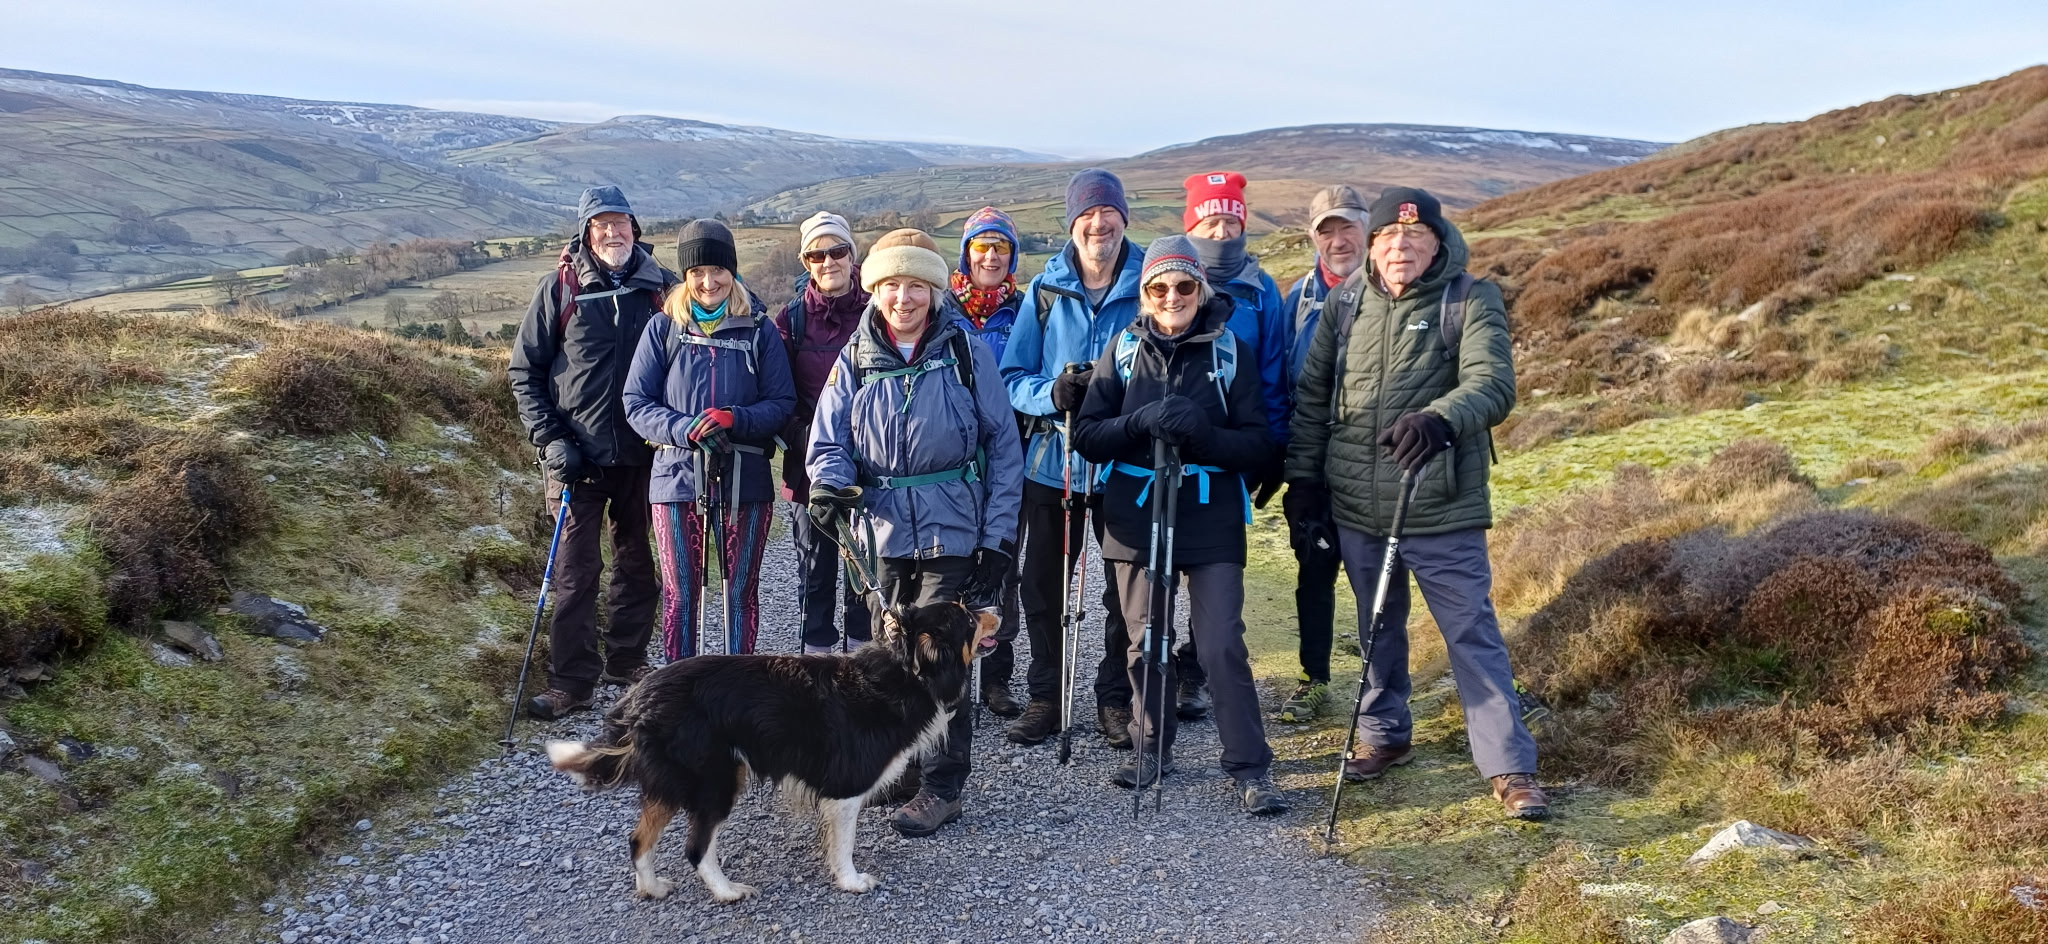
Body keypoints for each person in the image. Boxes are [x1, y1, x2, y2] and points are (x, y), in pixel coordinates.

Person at [1283, 187, 1548, 820]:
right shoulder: (1346, 302)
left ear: (1437, 242)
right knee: (1375, 625)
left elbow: (1493, 383)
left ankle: (1509, 766)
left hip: (1441, 501)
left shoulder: (1469, 298)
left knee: (1470, 631)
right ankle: (1384, 736)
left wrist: (1442, 418)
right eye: (1388, 237)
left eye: (1415, 236)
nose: (1400, 247)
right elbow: (1313, 398)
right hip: (1356, 503)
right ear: (1373, 245)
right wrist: (1305, 483)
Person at [806, 228, 1025, 837]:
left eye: (916, 286)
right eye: (892, 285)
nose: (903, 298)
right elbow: (828, 440)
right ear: (875, 290)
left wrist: (996, 541)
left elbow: (1004, 448)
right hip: (881, 531)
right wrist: (830, 486)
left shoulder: (965, 352)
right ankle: (900, 766)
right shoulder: (856, 356)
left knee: (941, 655)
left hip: (954, 525)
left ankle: (943, 785)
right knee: (891, 651)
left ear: (934, 290)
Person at [1069, 235, 1286, 815]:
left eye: (1184, 285)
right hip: (1136, 511)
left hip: (1210, 513)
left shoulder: (1231, 351)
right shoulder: (1122, 349)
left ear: (1200, 289)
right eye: (1159, 287)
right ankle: (1150, 749)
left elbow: (1260, 446)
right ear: (1144, 293)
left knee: (1220, 644)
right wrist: (1137, 422)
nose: (1172, 296)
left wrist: (1204, 435)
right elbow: (1087, 436)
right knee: (1146, 640)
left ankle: (1250, 767)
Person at [507, 185, 675, 720]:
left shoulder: (662, 288)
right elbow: (524, 372)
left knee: (637, 562)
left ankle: (627, 661)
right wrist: (551, 440)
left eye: (620, 222)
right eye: (600, 224)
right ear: (585, 233)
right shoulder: (560, 288)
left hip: (643, 453)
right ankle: (571, 682)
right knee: (576, 571)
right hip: (574, 458)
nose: (612, 232)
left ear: (635, 228)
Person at [1001, 169, 1145, 749]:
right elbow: (1012, 376)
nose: (1098, 223)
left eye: (1108, 212)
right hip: (1051, 463)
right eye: (1086, 214)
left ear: (1123, 218)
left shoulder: (1149, 284)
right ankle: (1046, 695)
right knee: (1043, 585)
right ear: (1071, 223)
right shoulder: (1046, 290)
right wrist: (1051, 393)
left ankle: (1114, 697)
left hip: (1121, 464)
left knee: (1121, 591)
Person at [623, 219, 795, 660]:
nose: (708, 281)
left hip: (745, 481)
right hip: (677, 479)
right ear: (685, 275)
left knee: (740, 594)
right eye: (696, 271)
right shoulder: (663, 329)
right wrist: (685, 429)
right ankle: (678, 691)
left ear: (732, 270)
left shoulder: (759, 330)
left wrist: (734, 419)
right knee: (681, 596)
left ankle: (738, 688)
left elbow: (781, 403)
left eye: (717, 269)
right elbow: (636, 403)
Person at [1170, 171, 1290, 722]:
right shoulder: (1170, 280)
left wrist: (1271, 449)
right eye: (1210, 221)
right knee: (1158, 570)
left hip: (1231, 454)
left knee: (1214, 574)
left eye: (1230, 220)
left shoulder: (1262, 292)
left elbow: (1274, 374)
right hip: (1162, 457)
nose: (1221, 231)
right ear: (1191, 226)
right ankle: (1146, 678)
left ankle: (1197, 667)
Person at [1274, 185, 1369, 723]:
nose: (1338, 240)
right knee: (1314, 571)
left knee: (1379, 579)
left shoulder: (1394, 291)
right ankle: (1315, 679)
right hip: (1315, 465)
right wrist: (1290, 468)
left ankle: (1383, 689)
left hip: (1378, 466)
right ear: (1312, 237)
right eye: (1325, 230)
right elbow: (1283, 384)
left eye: (1347, 226)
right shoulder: (1300, 299)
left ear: (1369, 227)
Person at [774, 211, 876, 654]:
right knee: (815, 569)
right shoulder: (791, 320)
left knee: (864, 571)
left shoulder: (878, 311)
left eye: (837, 251)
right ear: (806, 262)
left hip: (870, 463)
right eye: (817, 255)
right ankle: (816, 662)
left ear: (852, 256)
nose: (828, 261)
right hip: (808, 466)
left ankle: (861, 662)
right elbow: (778, 394)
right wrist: (808, 440)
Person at [950, 206, 1028, 717]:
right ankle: (953, 670)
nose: (992, 256)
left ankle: (997, 676)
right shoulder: (943, 308)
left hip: (1008, 455)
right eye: (982, 246)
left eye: (1001, 247)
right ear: (967, 253)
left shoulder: (1025, 310)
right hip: (954, 458)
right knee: (952, 564)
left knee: (1003, 565)